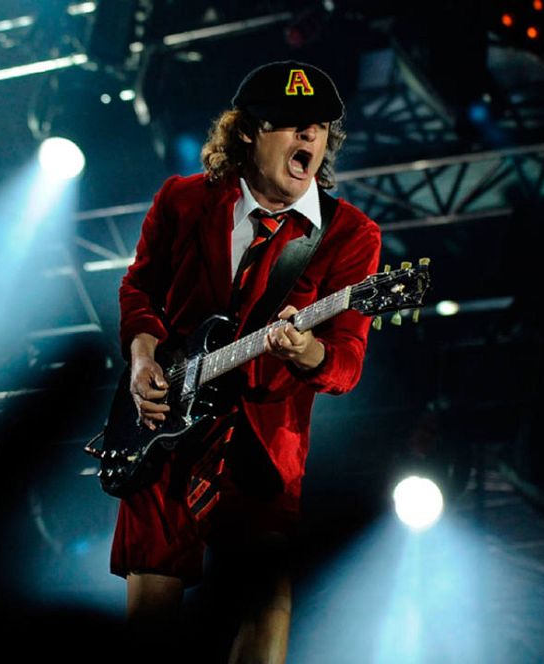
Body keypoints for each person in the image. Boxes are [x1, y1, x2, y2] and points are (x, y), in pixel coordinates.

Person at [110, 60, 382, 662]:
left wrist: (307, 349)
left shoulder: (350, 235)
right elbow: (138, 290)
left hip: (263, 444)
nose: (307, 137)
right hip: (162, 427)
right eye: (290, 125)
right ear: (249, 132)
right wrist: (142, 356)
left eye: (317, 127)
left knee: (264, 595)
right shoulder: (183, 201)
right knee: (151, 605)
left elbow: (346, 363)